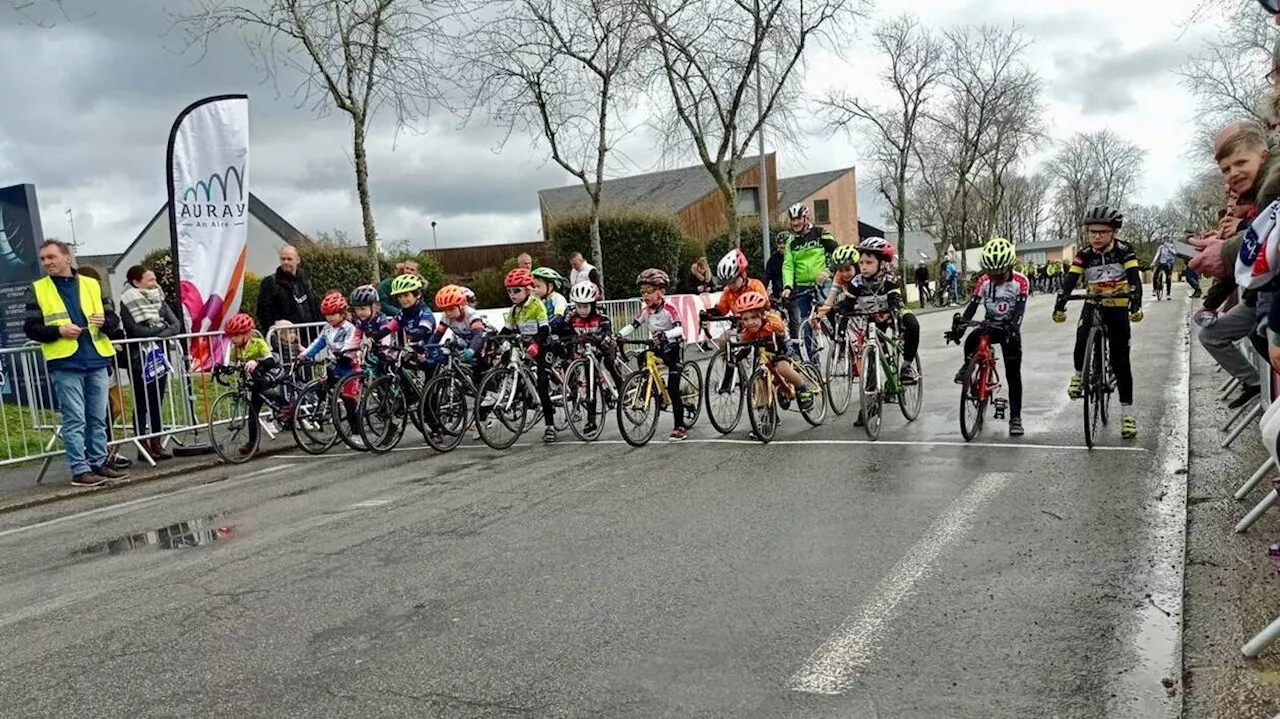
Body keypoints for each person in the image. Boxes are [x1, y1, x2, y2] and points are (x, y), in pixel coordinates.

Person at [23, 240, 124, 486]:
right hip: (65, 362)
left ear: (67, 258)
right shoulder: (37, 289)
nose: (47, 262)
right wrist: (59, 331)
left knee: (98, 416)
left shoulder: (92, 284)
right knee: (75, 418)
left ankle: (99, 462)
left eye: (51, 257)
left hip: (96, 357)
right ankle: (80, 469)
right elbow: (31, 328)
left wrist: (105, 322)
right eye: (43, 259)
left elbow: (113, 319)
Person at [1053, 205, 1143, 439]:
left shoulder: (1125, 251)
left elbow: (1134, 279)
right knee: (1082, 335)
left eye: (1102, 232)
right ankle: (1078, 375)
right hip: (1094, 301)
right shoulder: (1085, 254)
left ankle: (1128, 414)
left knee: (1121, 359)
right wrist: (1060, 303)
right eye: (1093, 232)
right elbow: (1070, 280)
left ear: (1113, 232)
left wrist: (1136, 303)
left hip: (1118, 303)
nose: (1097, 236)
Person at [944, 238, 1028, 437]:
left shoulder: (1021, 281)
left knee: (1013, 373)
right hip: (990, 323)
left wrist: (1013, 327)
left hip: (1009, 325)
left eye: (998, 274)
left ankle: (1015, 418)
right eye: (991, 274)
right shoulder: (983, 281)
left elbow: (1020, 311)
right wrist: (960, 327)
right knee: (972, 338)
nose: (994, 278)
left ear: (1008, 267)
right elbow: (972, 307)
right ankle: (968, 367)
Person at [815, 238, 920, 386]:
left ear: (882, 263)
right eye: (861, 263)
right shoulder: (856, 282)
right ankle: (871, 396)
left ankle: (907, 366)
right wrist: (834, 311)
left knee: (913, 325)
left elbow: (894, 300)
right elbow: (848, 303)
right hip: (872, 318)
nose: (863, 267)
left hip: (891, 313)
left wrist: (891, 312)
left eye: (869, 263)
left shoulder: (890, 279)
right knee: (872, 351)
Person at [118, 264, 182, 460]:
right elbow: (137, 331)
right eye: (150, 280)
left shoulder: (159, 299)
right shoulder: (127, 302)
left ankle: (157, 441)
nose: (155, 283)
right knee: (142, 400)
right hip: (139, 358)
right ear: (136, 282)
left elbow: (175, 324)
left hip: (158, 356)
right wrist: (160, 329)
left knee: (157, 399)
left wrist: (159, 332)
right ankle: (142, 442)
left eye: (155, 279)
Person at [618, 268, 688, 440]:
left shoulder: (669, 309)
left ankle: (679, 425)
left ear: (661, 292)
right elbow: (633, 325)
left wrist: (666, 335)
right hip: (657, 347)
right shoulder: (646, 310)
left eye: (650, 291)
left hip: (672, 348)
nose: (645, 295)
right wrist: (618, 335)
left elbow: (680, 328)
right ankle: (652, 388)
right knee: (643, 357)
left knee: (673, 387)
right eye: (642, 292)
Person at [499, 268, 557, 442]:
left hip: (544, 345)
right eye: (509, 291)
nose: (512, 294)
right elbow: (506, 330)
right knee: (507, 361)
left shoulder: (536, 305)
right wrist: (492, 338)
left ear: (528, 289)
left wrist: (536, 343)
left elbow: (545, 330)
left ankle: (550, 426)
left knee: (542, 383)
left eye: (516, 290)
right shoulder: (514, 310)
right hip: (527, 346)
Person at [733, 290, 814, 411]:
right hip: (763, 350)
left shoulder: (773, 322)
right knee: (760, 376)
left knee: (782, 368)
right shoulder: (747, 330)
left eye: (754, 317)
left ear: (763, 314)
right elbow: (745, 346)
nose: (750, 322)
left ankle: (803, 388)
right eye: (745, 319)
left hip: (781, 345)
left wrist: (781, 349)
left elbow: (783, 341)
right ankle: (766, 410)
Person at [221, 312, 287, 456]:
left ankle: (285, 404)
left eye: (236, 335)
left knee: (262, 391)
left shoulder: (258, 343)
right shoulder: (236, 349)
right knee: (253, 413)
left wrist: (256, 362)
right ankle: (253, 444)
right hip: (255, 379)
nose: (233, 339)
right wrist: (221, 369)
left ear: (247, 334)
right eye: (231, 336)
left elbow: (270, 361)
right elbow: (231, 366)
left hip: (271, 371)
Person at [780, 203, 838, 362]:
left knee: (827, 309)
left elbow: (837, 253)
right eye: (792, 220)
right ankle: (814, 364)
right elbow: (788, 265)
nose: (795, 223)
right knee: (805, 325)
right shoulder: (791, 242)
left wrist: (828, 271)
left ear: (806, 218)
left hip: (823, 283)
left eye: (798, 219)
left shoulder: (821, 233)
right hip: (803, 286)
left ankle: (840, 338)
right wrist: (787, 286)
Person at [565, 281, 623, 435]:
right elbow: (567, 334)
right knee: (591, 384)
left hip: (603, 344)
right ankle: (591, 421)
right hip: (587, 349)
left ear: (593, 303)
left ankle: (621, 387)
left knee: (610, 362)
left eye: (585, 306)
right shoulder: (571, 316)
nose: (582, 310)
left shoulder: (601, 313)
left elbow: (607, 332)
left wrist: (599, 338)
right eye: (579, 306)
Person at [256, 244, 321, 331]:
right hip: (285, 338)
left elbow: (313, 305)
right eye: (283, 259)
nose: (286, 262)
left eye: (289, 259)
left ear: (298, 260)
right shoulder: (270, 282)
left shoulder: (305, 280)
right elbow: (263, 313)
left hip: (310, 335)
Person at [765, 233, 786, 300]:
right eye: (779, 243)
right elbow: (766, 276)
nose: (781, 246)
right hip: (777, 294)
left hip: (795, 294)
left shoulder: (796, 257)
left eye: (784, 243)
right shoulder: (773, 259)